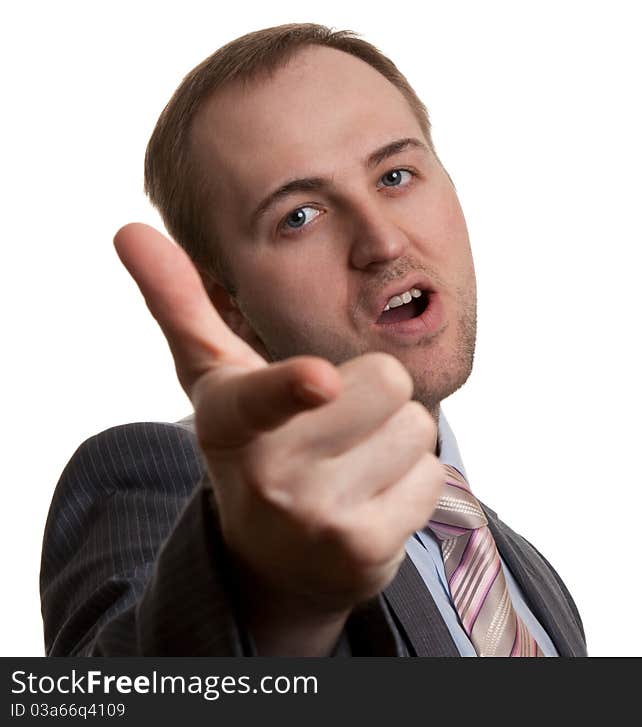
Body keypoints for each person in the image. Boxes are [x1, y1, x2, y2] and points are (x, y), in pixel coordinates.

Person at [40, 22, 587, 657]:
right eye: (298, 216)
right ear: (228, 305)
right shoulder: (165, 485)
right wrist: (269, 599)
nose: (381, 241)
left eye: (395, 176)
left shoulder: (531, 578)